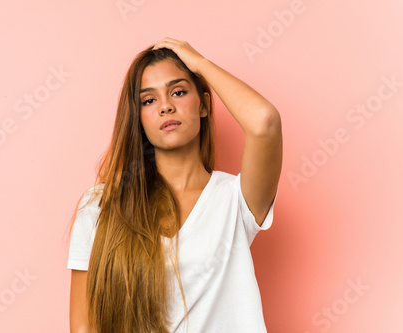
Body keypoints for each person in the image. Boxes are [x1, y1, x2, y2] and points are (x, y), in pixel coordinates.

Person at [66, 37, 282, 333]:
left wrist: (201, 64)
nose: (166, 107)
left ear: (204, 104)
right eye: (149, 100)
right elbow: (83, 327)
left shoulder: (236, 200)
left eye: (178, 92)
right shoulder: (101, 206)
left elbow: (264, 121)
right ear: (138, 118)